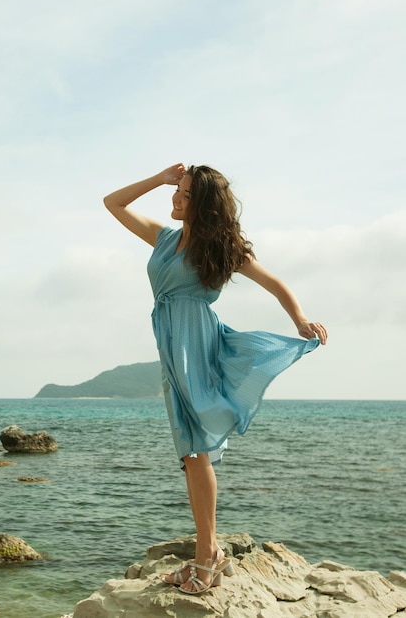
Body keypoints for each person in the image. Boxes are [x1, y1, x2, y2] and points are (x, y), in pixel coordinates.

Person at [103, 163, 327, 596]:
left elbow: (275, 281)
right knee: (191, 452)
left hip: (196, 348)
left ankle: (208, 556)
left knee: (195, 448)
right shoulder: (164, 237)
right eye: (178, 192)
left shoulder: (220, 249)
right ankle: (208, 553)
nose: (176, 199)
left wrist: (300, 319)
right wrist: (159, 178)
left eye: (185, 195)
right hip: (172, 348)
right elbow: (113, 203)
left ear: (202, 204)